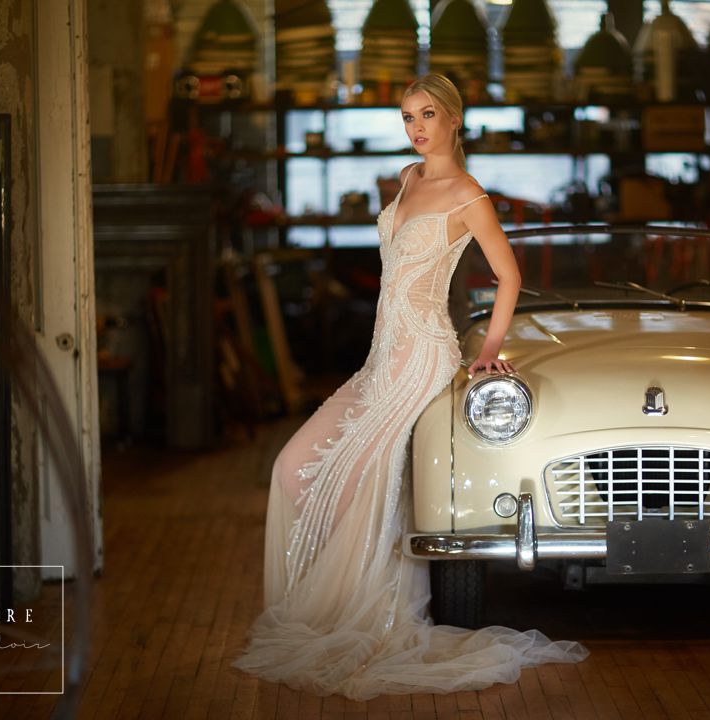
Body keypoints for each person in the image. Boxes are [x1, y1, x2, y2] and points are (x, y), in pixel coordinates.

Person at [232, 73, 587, 699]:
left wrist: (491, 352)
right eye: (407, 118)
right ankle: (332, 609)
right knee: (292, 469)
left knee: (358, 486)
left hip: (421, 358)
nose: (417, 128)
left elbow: (509, 276)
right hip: (379, 361)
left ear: (454, 119)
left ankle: (365, 614)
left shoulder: (468, 194)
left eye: (427, 115)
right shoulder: (409, 178)